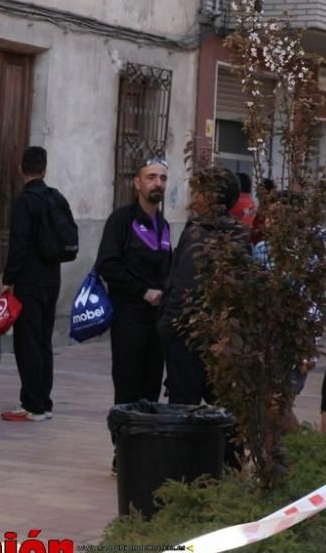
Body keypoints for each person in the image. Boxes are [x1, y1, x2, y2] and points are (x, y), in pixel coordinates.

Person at [159, 166, 242, 405]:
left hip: (189, 336)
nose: (192, 197)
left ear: (207, 196)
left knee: (184, 407)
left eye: (197, 191)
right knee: (224, 408)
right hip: (223, 336)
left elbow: (184, 285)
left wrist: (167, 326)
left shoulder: (198, 233)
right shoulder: (238, 234)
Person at [96, 157, 172, 408]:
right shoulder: (121, 220)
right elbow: (107, 264)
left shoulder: (164, 225)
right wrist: (142, 291)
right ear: (137, 183)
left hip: (157, 321)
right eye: (151, 177)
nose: (157, 183)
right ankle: (125, 445)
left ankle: (146, 444)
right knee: (128, 388)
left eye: (162, 178)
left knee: (151, 390)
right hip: (129, 317)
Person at [0, 147, 65, 422]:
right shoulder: (55, 197)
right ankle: (44, 402)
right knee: (43, 341)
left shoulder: (25, 201)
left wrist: (9, 280)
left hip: (29, 281)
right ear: (45, 168)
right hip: (52, 278)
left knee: (27, 343)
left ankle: (32, 404)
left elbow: (19, 244)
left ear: (20, 169)